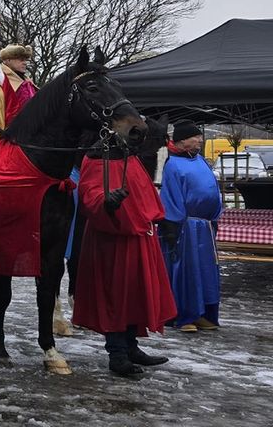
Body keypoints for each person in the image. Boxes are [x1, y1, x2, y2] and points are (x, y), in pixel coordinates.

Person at [72, 138, 175, 377]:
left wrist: (158, 218)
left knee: (133, 294)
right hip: (112, 240)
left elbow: (143, 192)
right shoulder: (97, 158)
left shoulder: (130, 157)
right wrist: (106, 202)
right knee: (115, 297)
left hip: (138, 237)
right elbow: (89, 194)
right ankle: (117, 354)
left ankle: (130, 346)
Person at [158, 121, 223, 332]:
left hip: (205, 227)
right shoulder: (173, 165)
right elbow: (171, 196)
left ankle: (202, 312)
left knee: (206, 272)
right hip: (186, 228)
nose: (201, 140)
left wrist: (214, 218)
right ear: (183, 140)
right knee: (188, 272)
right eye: (196, 137)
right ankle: (184, 315)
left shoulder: (201, 160)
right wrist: (173, 225)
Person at [0, 44, 38, 123]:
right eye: (21, 60)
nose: (25, 63)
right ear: (8, 60)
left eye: (25, 60)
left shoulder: (27, 81)